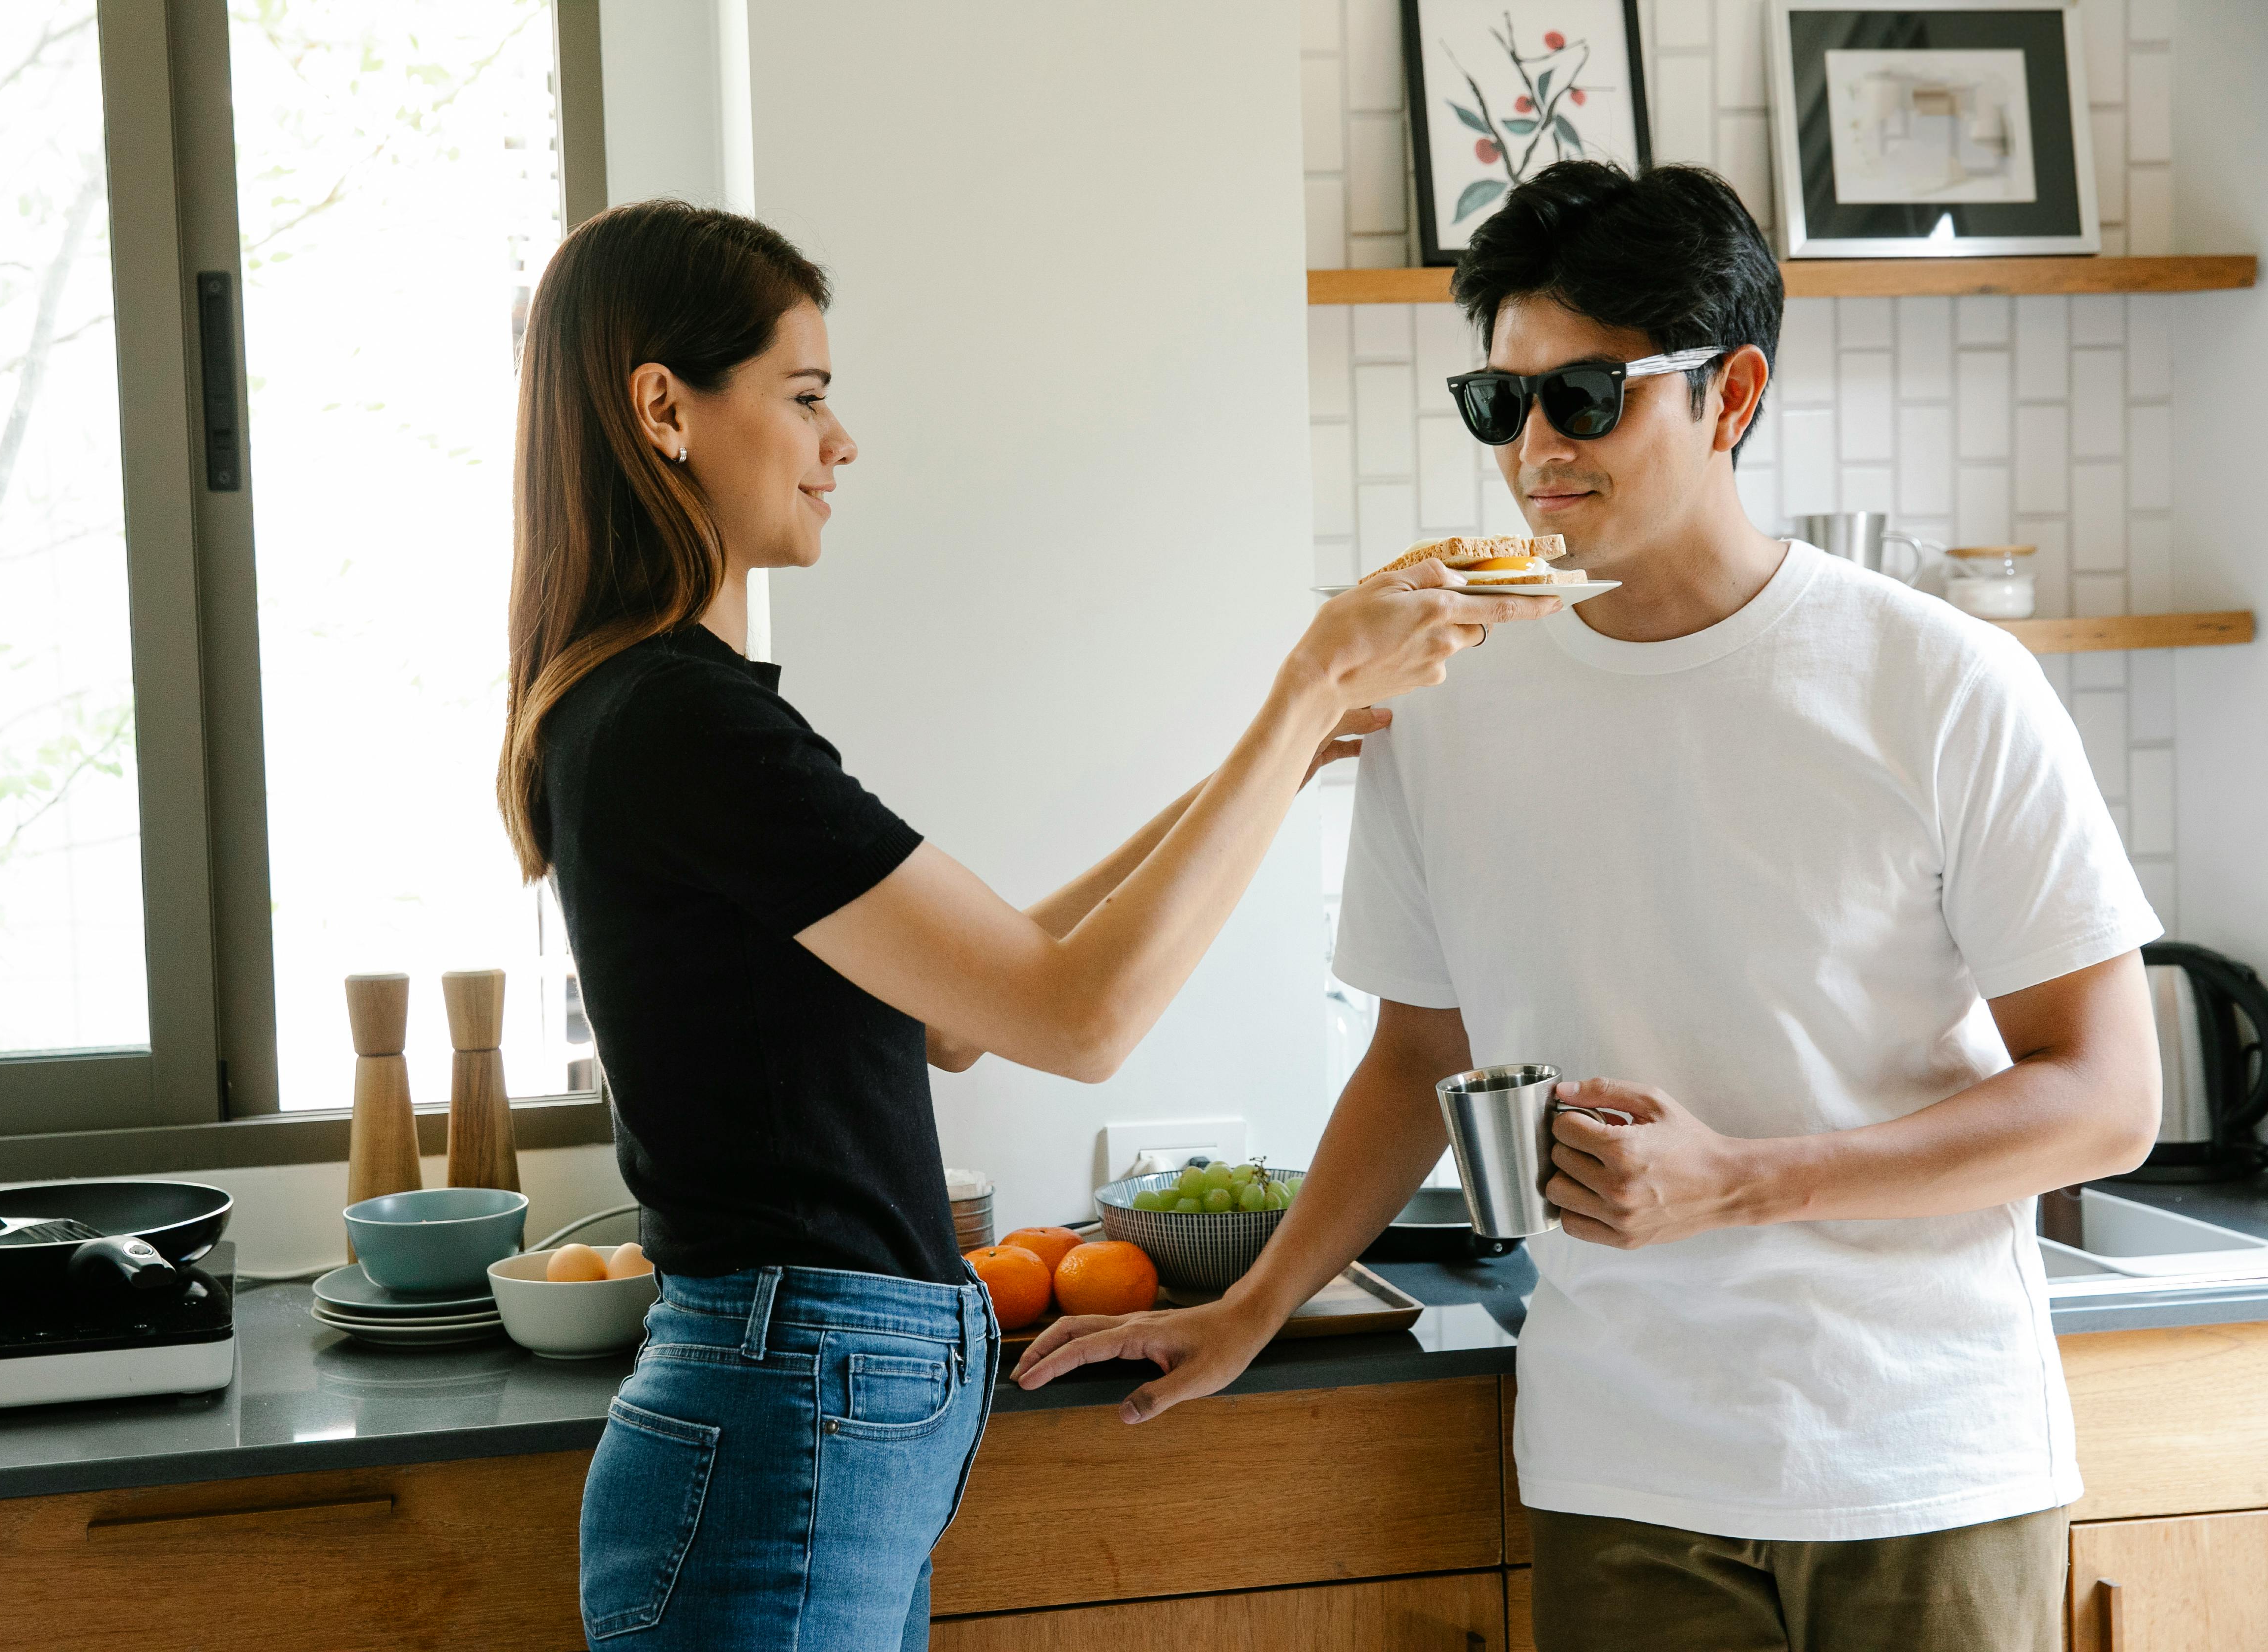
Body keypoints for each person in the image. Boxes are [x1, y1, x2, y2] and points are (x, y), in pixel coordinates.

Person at [1014, 162, 2163, 1652]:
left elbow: (2107, 1096)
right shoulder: (1446, 696)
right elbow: (1420, 1056)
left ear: (1731, 394)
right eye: (1502, 405)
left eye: (1588, 396)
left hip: (1920, 1460)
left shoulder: (1940, 681)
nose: (1536, 448)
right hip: (1618, 1470)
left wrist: (1743, 1180)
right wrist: (1260, 1303)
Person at [496, 200, 1552, 1652]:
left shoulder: (662, 712)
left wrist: (1264, 768)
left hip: (813, 1402)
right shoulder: (683, 721)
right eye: (805, 397)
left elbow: (955, 1015)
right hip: (790, 1398)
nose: (840, 442)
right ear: (665, 409)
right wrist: (1304, 681)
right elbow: (1078, 1020)